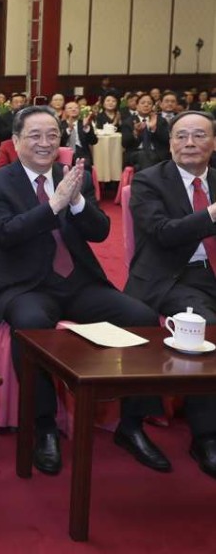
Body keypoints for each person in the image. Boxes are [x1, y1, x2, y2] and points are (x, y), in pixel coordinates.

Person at [0, 106, 166, 476]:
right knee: (31, 325)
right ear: (16, 141)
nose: (45, 143)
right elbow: (4, 234)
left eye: (52, 135)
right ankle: (43, 427)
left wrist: (77, 200)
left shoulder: (76, 175)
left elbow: (99, 233)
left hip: (78, 282)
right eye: (35, 135)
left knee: (142, 317)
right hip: (25, 284)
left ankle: (132, 424)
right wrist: (53, 205)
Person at [126, 111, 216, 478]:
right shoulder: (150, 182)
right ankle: (207, 435)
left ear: (213, 143)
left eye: (198, 135)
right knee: (205, 326)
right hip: (173, 278)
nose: (189, 143)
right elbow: (162, 232)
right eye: (181, 136)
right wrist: (210, 214)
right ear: (170, 142)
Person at [122, 94, 170, 172]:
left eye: (149, 103)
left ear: (153, 107)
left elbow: (166, 140)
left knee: (149, 157)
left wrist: (153, 129)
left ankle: (145, 182)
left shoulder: (161, 121)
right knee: (145, 156)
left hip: (157, 152)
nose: (146, 105)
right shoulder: (128, 122)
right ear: (137, 106)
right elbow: (125, 143)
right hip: (135, 152)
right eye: (143, 103)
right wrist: (136, 133)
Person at [59, 100, 97, 168]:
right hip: (65, 152)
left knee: (85, 165)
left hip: (81, 152)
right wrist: (69, 129)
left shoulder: (84, 123)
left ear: (79, 111)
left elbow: (94, 141)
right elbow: (59, 142)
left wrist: (86, 128)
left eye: (76, 108)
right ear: (65, 111)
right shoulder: (60, 124)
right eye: (70, 108)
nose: (73, 109)